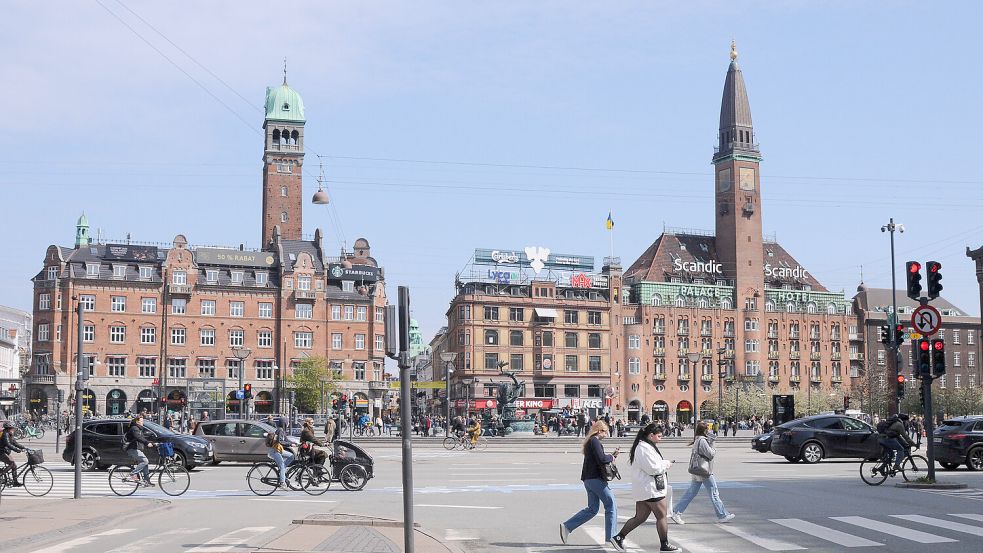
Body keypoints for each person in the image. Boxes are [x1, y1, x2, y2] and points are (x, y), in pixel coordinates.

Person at [611, 423, 679, 552]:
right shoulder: (643, 448)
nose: (661, 438)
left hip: (646, 488)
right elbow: (653, 468)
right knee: (662, 516)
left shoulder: (646, 446)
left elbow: (652, 466)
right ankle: (664, 545)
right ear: (651, 435)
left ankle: (619, 537)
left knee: (640, 517)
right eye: (659, 436)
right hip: (651, 488)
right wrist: (666, 464)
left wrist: (663, 464)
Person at [560, 421, 619, 546]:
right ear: (599, 431)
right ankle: (611, 537)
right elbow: (602, 459)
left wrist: (611, 456)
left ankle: (567, 526)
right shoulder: (595, 441)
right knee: (611, 504)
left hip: (588, 479)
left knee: (592, 509)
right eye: (605, 431)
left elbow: (598, 458)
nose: (607, 435)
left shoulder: (590, 442)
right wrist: (611, 457)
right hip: (596, 479)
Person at [672, 421, 735, 524]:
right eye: (708, 429)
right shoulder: (702, 441)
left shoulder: (697, 439)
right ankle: (722, 515)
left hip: (697, 470)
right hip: (704, 471)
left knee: (691, 492)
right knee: (714, 493)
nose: (709, 431)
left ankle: (677, 512)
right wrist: (712, 443)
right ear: (705, 430)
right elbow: (711, 454)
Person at [124, 415, 156, 487]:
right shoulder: (134, 428)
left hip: (135, 448)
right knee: (145, 461)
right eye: (141, 421)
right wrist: (147, 443)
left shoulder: (138, 429)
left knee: (145, 462)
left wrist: (153, 443)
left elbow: (142, 438)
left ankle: (147, 481)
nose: (142, 422)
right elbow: (138, 438)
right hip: (131, 449)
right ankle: (133, 473)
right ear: (137, 421)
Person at [266, 420, 294, 488]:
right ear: (284, 423)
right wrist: (290, 444)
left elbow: (286, 440)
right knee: (281, 465)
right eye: (287, 422)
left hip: (278, 450)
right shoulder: (280, 430)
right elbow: (280, 441)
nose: (288, 424)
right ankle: (282, 483)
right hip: (275, 451)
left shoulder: (281, 430)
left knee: (291, 456)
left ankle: (282, 471)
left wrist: (294, 443)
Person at [1, 421, 26, 486]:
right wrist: (17, 450)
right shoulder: (5, 434)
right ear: (8, 428)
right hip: (1, 452)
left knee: (14, 466)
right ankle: (1, 474)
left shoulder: (10, 434)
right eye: (12, 428)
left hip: (5, 452)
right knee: (12, 464)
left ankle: (15, 482)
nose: (13, 429)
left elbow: (15, 443)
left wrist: (24, 447)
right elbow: (8, 444)